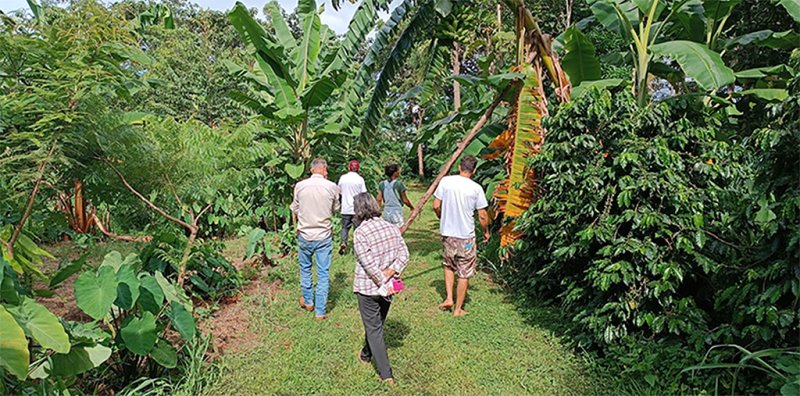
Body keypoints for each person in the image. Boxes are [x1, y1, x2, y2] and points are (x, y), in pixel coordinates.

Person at [352, 192, 409, 384]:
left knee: (374, 329)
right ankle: (366, 354)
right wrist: (393, 270)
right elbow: (404, 254)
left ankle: (386, 374)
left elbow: (368, 265)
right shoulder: (392, 228)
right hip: (390, 287)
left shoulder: (360, 232)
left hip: (369, 289)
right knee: (377, 324)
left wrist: (382, 278)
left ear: (358, 211)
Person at [432, 156, 490, 317]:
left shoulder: (446, 181)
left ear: (459, 167)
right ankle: (458, 309)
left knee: (448, 264)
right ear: (474, 170)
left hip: (448, 233)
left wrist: (441, 216)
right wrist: (486, 231)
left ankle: (449, 298)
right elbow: (483, 215)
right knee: (464, 271)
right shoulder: (476, 188)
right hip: (466, 236)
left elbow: (436, 205)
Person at [291, 158, 340, 320]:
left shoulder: (300, 186)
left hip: (304, 234)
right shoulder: (332, 186)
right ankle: (320, 311)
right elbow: (336, 208)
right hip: (323, 235)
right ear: (324, 169)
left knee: (305, 269)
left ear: (312, 170)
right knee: (323, 273)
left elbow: (295, 208)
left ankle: (308, 301)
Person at [337, 159, 367, 255]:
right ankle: (356, 249)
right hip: (357, 208)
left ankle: (343, 242)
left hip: (345, 208)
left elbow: (339, 191)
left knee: (345, 227)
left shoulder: (343, 178)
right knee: (357, 229)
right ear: (358, 169)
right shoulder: (360, 179)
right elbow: (364, 193)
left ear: (349, 167)